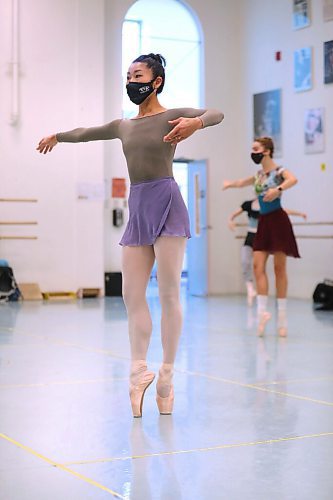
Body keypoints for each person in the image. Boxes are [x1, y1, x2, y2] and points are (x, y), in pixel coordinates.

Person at [37, 53, 224, 417]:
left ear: (156, 81)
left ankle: (167, 375)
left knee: (169, 292)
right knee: (131, 294)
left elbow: (217, 113)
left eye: (137, 75)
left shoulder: (171, 116)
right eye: (127, 76)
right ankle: (139, 370)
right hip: (138, 204)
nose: (130, 81)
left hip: (167, 201)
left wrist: (196, 123)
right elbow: (86, 133)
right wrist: (57, 136)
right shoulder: (124, 126)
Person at [223, 136, 299, 337]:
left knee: (279, 269)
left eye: (256, 149)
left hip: (278, 221)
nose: (253, 152)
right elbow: (241, 182)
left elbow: (293, 179)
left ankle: (282, 320)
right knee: (258, 267)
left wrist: (278, 189)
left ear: (266, 151)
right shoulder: (258, 175)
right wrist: (229, 184)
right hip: (263, 223)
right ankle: (262, 314)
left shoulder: (279, 172)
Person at [228, 199, 306, 307]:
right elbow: (233, 213)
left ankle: (278, 306)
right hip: (250, 236)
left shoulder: (269, 206)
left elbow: (284, 210)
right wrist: (230, 220)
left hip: (262, 235)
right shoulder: (248, 205)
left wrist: (300, 214)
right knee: (246, 262)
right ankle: (250, 288)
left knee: (276, 268)